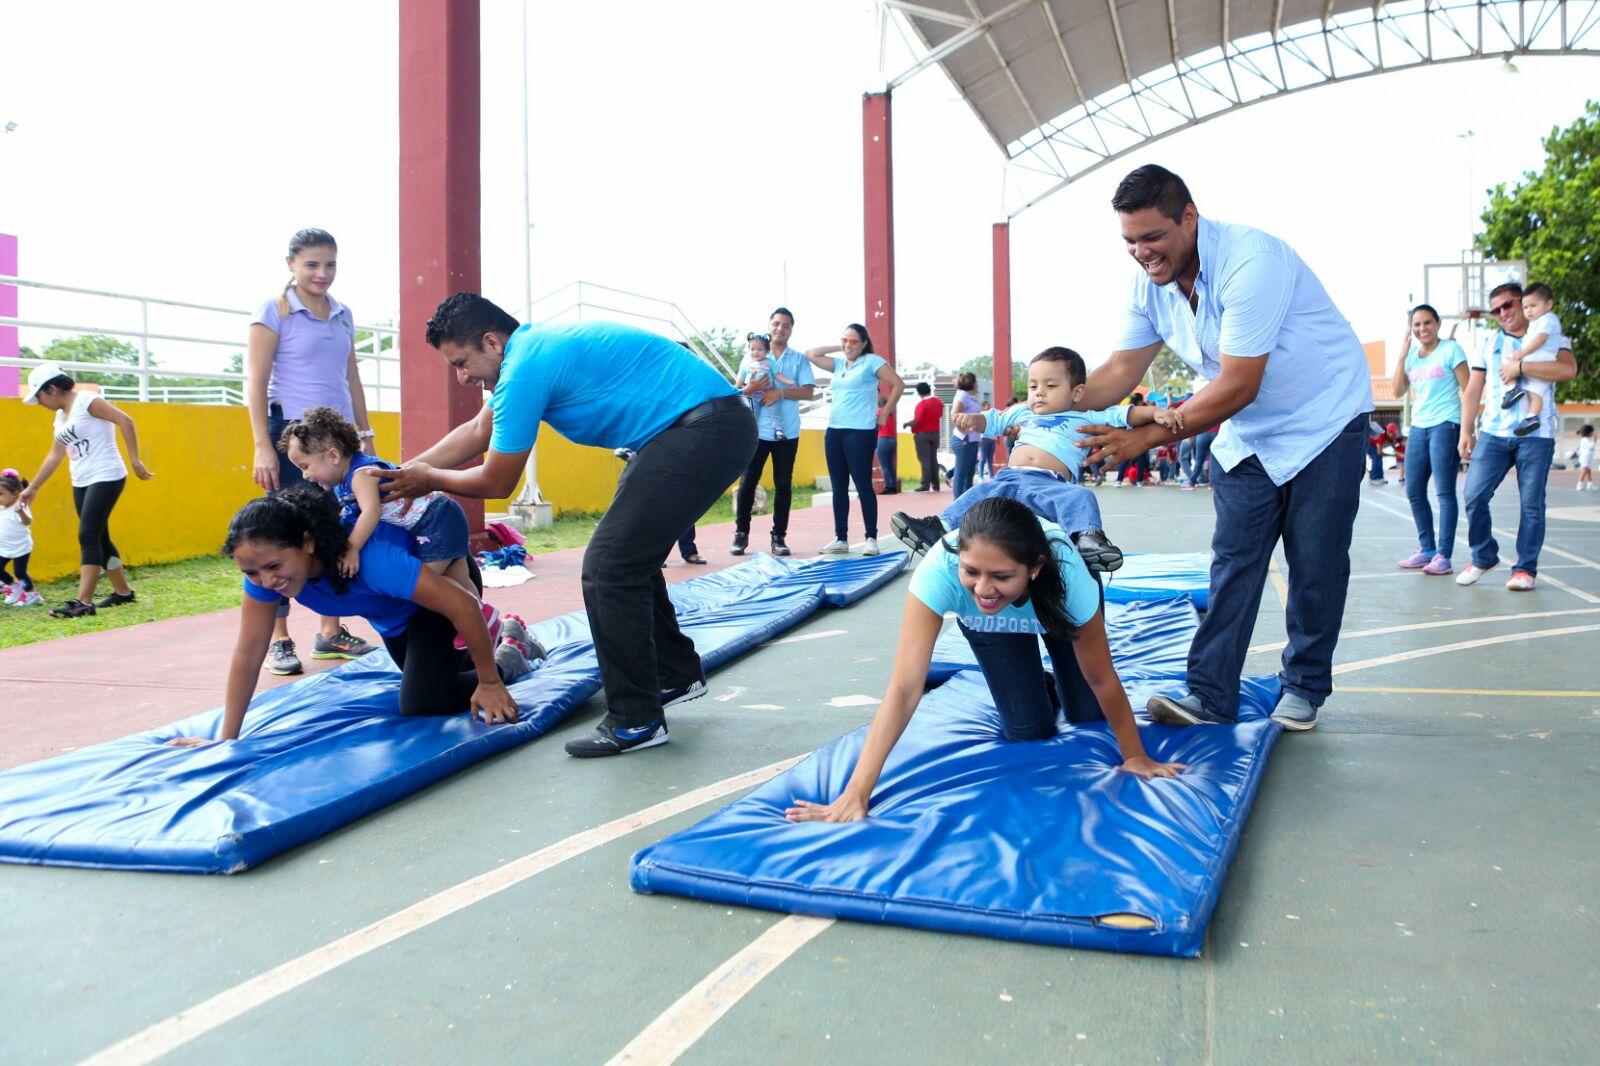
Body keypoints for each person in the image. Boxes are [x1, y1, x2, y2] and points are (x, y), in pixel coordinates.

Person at [375, 294, 756, 757]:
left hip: (703, 427)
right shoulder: (528, 354)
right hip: (691, 427)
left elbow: (497, 480)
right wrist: (401, 473)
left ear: (492, 343)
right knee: (626, 559)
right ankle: (673, 675)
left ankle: (636, 720)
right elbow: (477, 434)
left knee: (609, 566)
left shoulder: (525, 369)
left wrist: (428, 479)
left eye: (461, 362)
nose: (462, 376)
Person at [1076, 164, 1373, 733]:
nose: (1142, 253)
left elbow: (1239, 384)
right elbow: (1119, 369)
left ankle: (1304, 687)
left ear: (1189, 217)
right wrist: (1056, 404)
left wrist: (1144, 437)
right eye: (1130, 241)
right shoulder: (1150, 282)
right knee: (1234, 561)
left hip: (1325, 419)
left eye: (1153, 237)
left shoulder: (1251, 262)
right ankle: (1210, 696)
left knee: (1315, 562)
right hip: (1248, 432)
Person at [786, 497, 1183, 824]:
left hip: (1051, 608)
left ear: (1034, 569)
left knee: (1087, 711)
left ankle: (1054, 676)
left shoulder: (1067, 578)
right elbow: (906, 687)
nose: (984, 587)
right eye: (971, 571)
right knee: (1028, 730)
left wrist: (1135, 756)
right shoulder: (939, 573)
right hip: (991, 626)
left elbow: (1101, 678)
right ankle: (1039, 681)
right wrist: (856, 793)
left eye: (1001, 576)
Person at [166, 486, 538, 747]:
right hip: (394, 622)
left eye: (273, 566)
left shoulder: (373, 561)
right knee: (444, 678)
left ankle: (509, 657)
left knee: (423, 702)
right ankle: (506, 638)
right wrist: (225, 739)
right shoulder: (268, 576)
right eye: (251, 573)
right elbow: (249, 652)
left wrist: (490, 682)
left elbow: (463, 606)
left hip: (439, 601)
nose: (267, 581)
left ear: (308, 543)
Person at [891, 347, 1159, 572]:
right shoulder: (1021, 413)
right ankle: (938, 528)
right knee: (979, 492)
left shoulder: (1085, 416)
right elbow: (992, 421)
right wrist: (973, 420)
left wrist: (1156, 414)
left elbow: (1124, 415)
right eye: (1033, 386)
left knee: (1081, 497)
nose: (1039, 392)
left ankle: (1087, 539)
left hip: (1052, 484)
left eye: (1050, 386)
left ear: (1076, 393)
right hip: (1010, 478)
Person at [246, 228, 379, 675]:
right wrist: (263, 446)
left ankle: (330, 632)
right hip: (292, 439)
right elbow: (256, 382)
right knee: (281, 534)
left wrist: (365, 435)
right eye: (312, 264)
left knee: (331, 530)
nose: (322, 274)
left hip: (336, 442)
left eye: (330, 265)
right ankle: (280, 639)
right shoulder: (274, 310)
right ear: (291, 265)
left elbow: (352, 379)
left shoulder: (343, 315)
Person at [276, 406, 499, 648]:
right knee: (457, 577)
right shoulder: (343, 483)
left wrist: (351, 548)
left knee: (430, 582)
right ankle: (484, 620)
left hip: (436, 520)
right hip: (439, 517)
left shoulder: (361, 474)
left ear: (333, 456)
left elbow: (370, 512)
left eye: (305, 466)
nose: (305, 476)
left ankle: (475, 620)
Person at [1456, 282, 1577, 591]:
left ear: (1523, 303)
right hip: (1494, 433)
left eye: (1508, 305)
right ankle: (1484, 556)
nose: (1503, 313)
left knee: (1532, 504)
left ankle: (1524, 568)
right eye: (1496, 310)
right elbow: (1474, 388)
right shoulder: (1490, 341)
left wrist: (1521, 366)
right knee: (1473, 495)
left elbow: (1567, 370)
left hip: (1537, 434)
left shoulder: (1551, 333)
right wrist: (1466, 429)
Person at [18, 363, 154, 618]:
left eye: (40, 396)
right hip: (81, 480)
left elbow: (125, 420)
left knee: (88, 535)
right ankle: (124, 593)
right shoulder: (60, 418)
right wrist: (33, 487)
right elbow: (55, 455)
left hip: (107, 475)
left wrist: (135, 459)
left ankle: (83, 602)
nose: (39, 403)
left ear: (53, 388)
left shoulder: (86, 401)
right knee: (100, 537)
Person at [805, 324, 905, 555]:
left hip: (860, 431)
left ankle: (871, 538)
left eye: (853, 341)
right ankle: (841, 538)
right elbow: (811, 354)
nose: (848, 345)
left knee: (862, 485)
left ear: (863, 344)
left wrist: (885, 414)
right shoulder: (839, 364)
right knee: (838, 487)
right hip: (835, 431)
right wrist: (839, 346)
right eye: (845, 341)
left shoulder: (871, 361)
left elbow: (898, 384)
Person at [731, 310, 816, 556]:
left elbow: (808, 392)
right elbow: (737, 390)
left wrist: (780, 393)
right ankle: (740, 534)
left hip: (786, 432)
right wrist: (751, 387)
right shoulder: (751, 356)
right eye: (776, 324)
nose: (780, 328)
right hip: (755, 431)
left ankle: (778, 537)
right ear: (769, 326)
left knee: (783, 485)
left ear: (791, 329)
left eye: (786, 325)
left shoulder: (798, 360)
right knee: (748, 482)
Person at [1499, 283, 1567, 437]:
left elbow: (1541, 339)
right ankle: (1513, 390)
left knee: (1535, 392)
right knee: (1515, 372)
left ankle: (1531, 416)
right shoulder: (1536, 322)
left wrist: (1523, 352)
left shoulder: (1548, 319)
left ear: (1548, 304)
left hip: (1541, 359)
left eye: (1533, 306)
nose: (1528, 311)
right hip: (1532, 358)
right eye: (1525, 307)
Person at [0, 469, 41, 607]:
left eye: (1, 494)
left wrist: (21, 511)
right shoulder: (1, 507)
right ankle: (14, 587)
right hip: (4, 547)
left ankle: (32, 594)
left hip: (20, 547)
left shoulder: (19, 506)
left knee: (20, 571)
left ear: (15, 494)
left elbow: (27, 521)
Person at [905, 381, 944, 493]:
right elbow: (940, 415)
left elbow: (917, 421)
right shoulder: (938, 402)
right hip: (935, 433)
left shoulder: (921, 404)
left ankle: (925, 484)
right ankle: (936, 484)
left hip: (922, 434)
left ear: (919, 392)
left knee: (925, 460)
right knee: (933, 459)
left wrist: (907, 424)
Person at [949, 372, 982, 498]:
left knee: (969, 474)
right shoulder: (962, 396)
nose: (978, 385)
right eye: (976, 382)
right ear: (972, 383)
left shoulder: (969, 397)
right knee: (961, 473)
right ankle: (957, 504)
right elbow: (954, 414)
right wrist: (964, 430)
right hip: (964, 440)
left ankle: (966, 503)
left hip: (971, 440)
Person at [875, 395, 900, 495]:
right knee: (890, 465)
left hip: (883, 439)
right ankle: (893, 485)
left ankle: (888, 486)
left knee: (884, 465)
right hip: (892, 439)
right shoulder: (890, 415)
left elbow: (875, 425)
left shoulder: (879, 412)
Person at [977, 400, 997, 481]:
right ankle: (980, 476)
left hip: (992, 439)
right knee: (983, 458)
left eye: (989, 405)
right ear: (983, 406)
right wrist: (979, 439)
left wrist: (997, 437)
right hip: (984, 438)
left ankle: (991, 475)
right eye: (988, 405)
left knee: (990, 458)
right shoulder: (981, 415)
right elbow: (978, 427)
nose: (989, 406)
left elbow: (995, 425)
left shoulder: (992, 415)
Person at [1575, 424, 1595, 493]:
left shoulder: (1586, 439)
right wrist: (1594, 440)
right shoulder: (1585, 440)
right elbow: (1591, 447)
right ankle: (1579, 484)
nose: (1593, 433)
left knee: (1588, 471)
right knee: (1584, 470)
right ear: (1589, 432)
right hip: (1585, 458)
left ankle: (1590, 484)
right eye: (1592, 432)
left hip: (1588, 458)